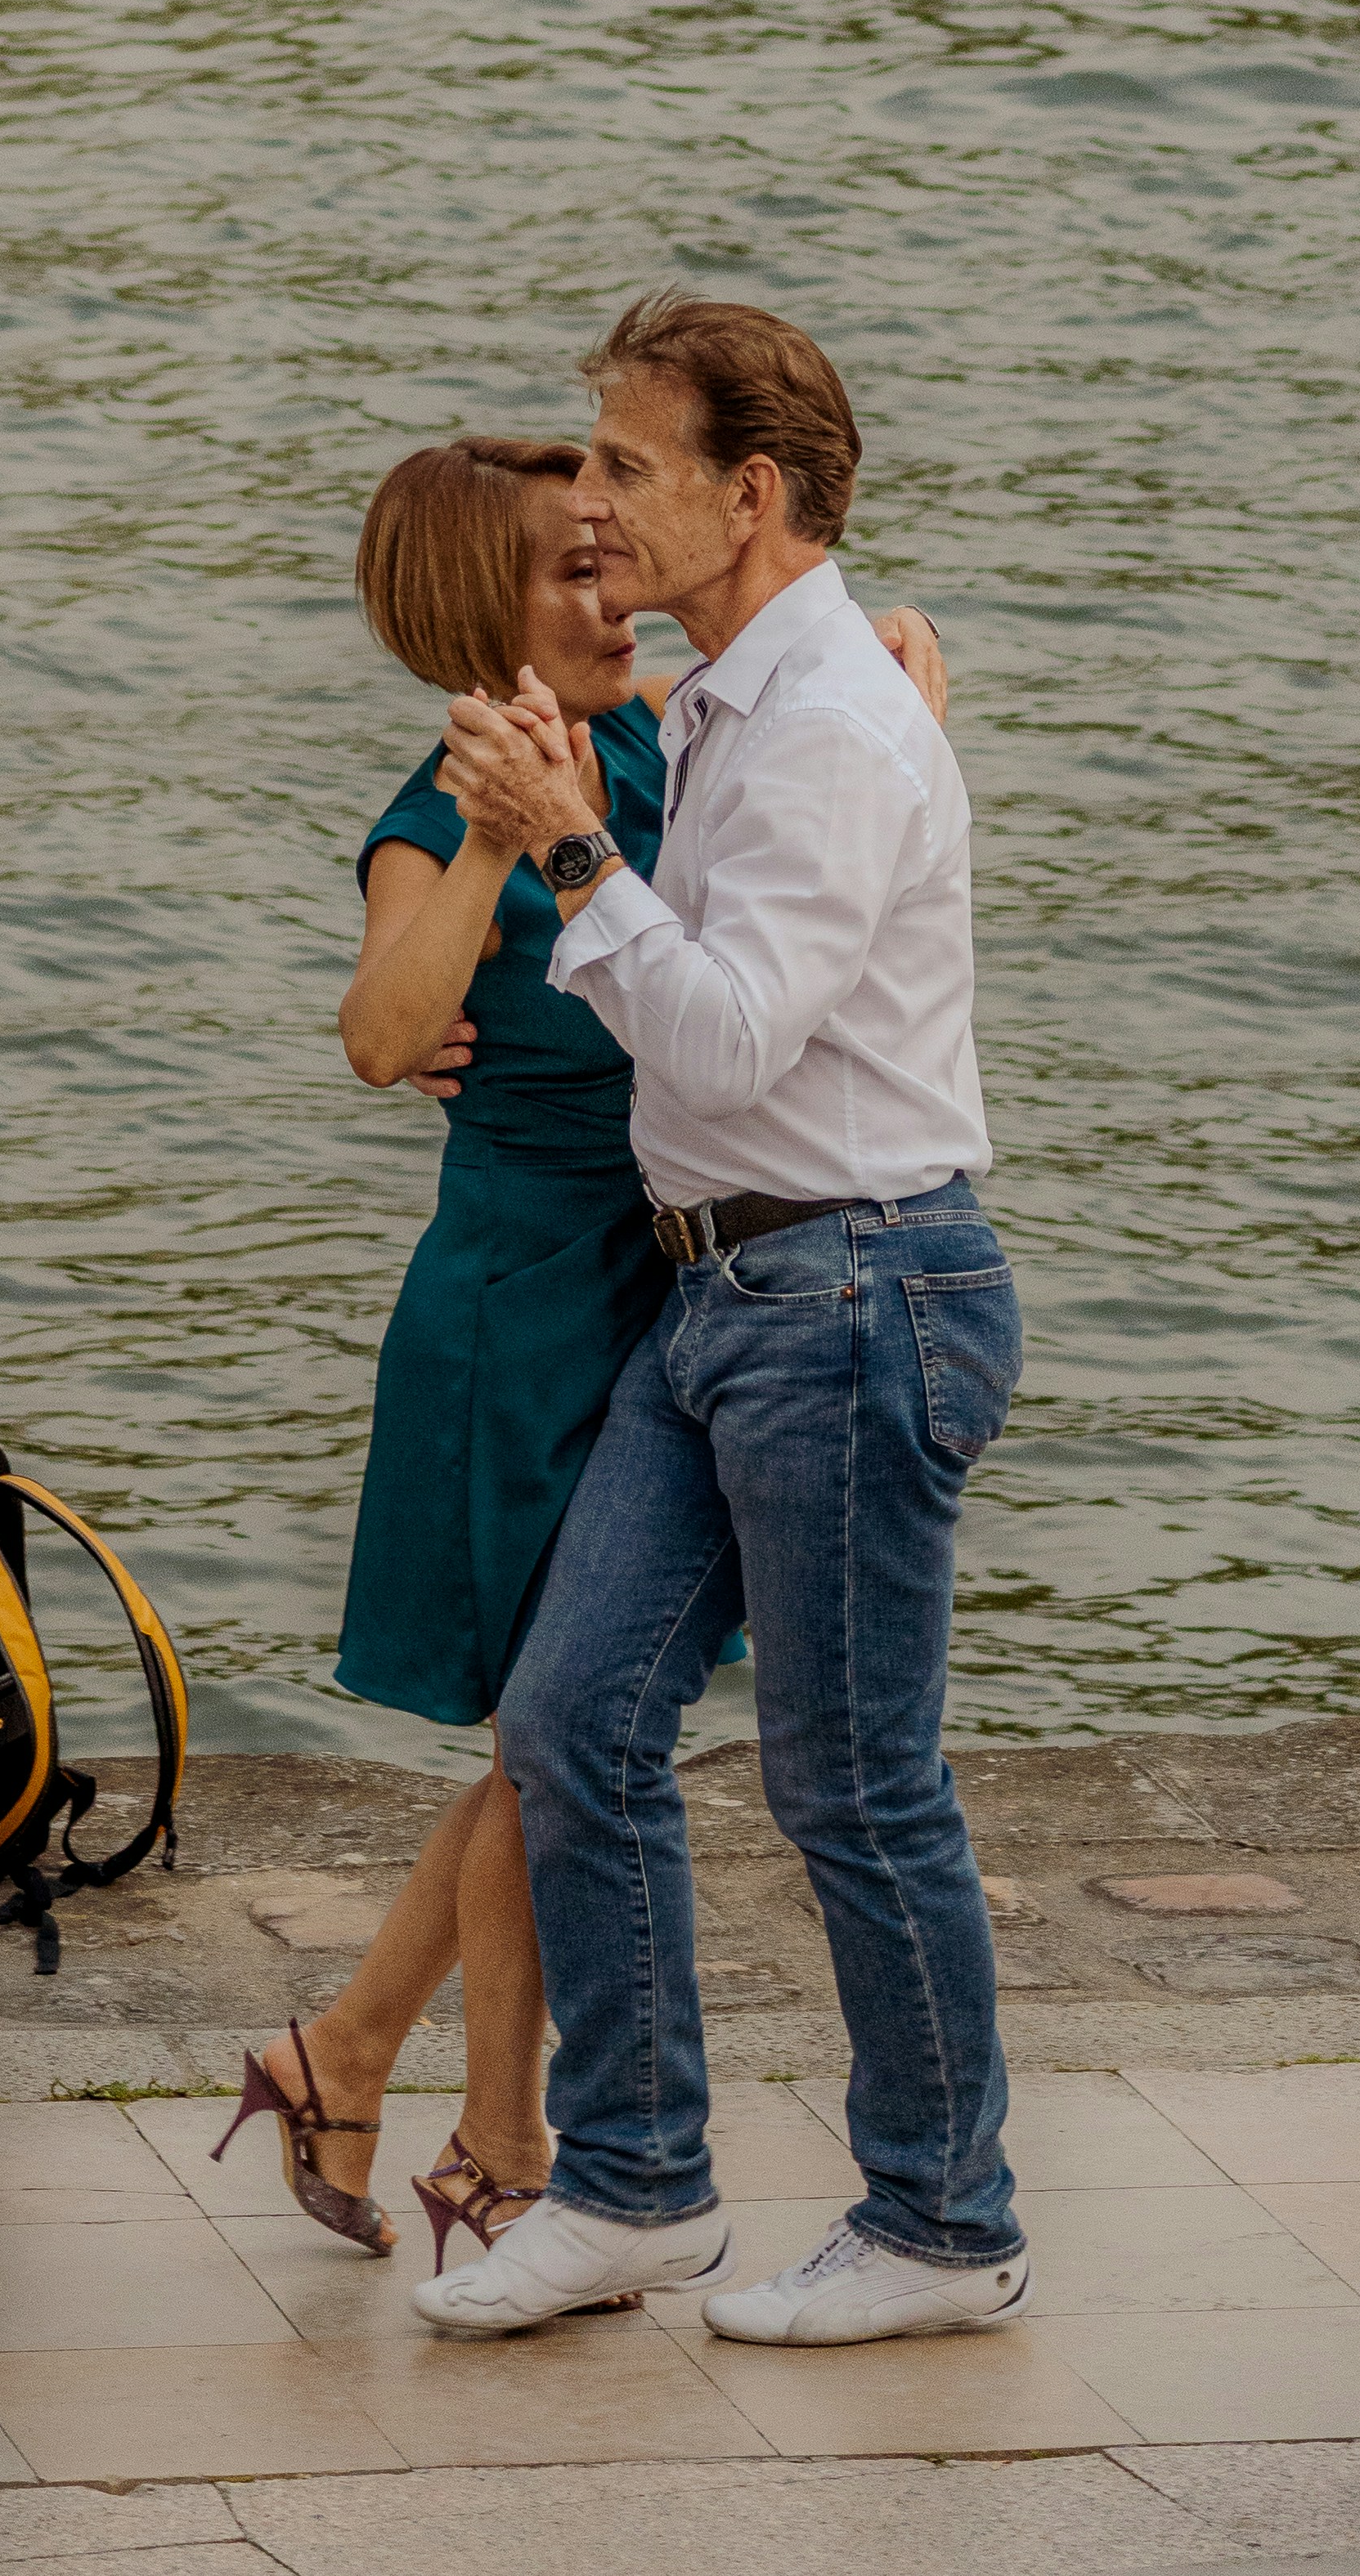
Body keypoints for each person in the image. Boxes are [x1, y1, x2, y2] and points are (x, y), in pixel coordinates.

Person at [227, 437, 952, 2274]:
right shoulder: (441, 804)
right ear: (480, 618)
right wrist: (492, 834)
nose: (611, 591)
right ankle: (495, 2135)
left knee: (567, 1734)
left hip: (681, 1285)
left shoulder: (665, 733)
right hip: (529, 1312)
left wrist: (891, 684)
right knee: (559, 1737)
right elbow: (383, 1033)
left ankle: (357, 2057)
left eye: (609, 553)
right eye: (567, 573)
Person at [420, 292, 1023, 2350]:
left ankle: (946, 2222)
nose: (582, 503)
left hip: (852, 1281)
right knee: (571, 1721)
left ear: (745, 494)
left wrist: (568, 849)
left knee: (855, 1787)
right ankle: (636, 2184)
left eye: (620, 464)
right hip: (728, 1289)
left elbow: (743, 1039)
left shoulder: (832, 723)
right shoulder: (736, 700)